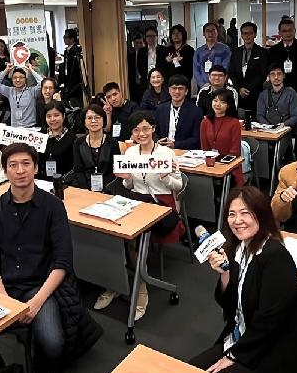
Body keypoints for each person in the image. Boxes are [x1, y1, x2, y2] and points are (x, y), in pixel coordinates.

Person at [0, 142, 101, 373]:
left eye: (26, 164)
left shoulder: (53, 207)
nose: (20, 171)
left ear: (35, 168)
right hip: (3, 287)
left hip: (40, 286)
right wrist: (5, 301)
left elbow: (62, 262)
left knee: (53, 342)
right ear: (5, 171)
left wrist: (36, 302)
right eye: (13, 165)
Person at [190, 186, 297, 373]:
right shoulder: (239, 248)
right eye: (232, 214)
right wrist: (225, 274)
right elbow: (231, 307)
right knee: (189, 372)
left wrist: (234, 356)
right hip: (244, 337)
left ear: (261, 215)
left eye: (245, 213)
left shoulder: (275, 256)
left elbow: (269, 321)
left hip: (278, 353)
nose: (237, 220)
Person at [98, 111, 184, 318]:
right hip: (136, 201)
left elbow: (179, 185)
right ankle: (117, 282)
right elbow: (129, 186)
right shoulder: (130, 153)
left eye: (146, 128)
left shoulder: (165, 153)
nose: (141, 134)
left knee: (131, 240)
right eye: (136, 130)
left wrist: (165, 178)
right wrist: (126, 179)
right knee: (112, 232)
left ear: (153, 129)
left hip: (161, 206)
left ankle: (140, 290)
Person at [267, 18, 297, 121]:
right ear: (279, 33)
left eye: (290, 30)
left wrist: (292, 88)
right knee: (281, 124)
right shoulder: (273, 51)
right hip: (280, 93)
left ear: (295, 31)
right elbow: (272, 71)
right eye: (284, 31)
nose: (287, 33)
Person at [256, 63, 297, 158]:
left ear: (284, 75)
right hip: (267, 131)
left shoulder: (291, 93)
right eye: (273, 74)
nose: (276, 77)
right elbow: (259, 115)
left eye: (279, 74)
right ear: (269, 77)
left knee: (279, 150)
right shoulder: (263, 95)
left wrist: (283, 125)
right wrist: (269, 127)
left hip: (286, 131)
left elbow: (296, 117)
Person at [201, 89, 244, 186]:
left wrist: (219, 164)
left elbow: (235, 152)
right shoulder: (205, 122)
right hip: (209, 164)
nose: (218, 104)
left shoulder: (234, 123)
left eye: (222, 102)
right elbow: (204, 148)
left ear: (228, 105)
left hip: (229, 166)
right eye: (215, 100)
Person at [71, 104, 118, 192]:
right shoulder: (78, 142)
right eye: (89, 118)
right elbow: (78, 170)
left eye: (97, 117)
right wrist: (86, 190)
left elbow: (114, 170)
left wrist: (105, 190)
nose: (93, 121)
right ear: (84, 122)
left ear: (104, 120)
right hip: (84, 188)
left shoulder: (113, 142)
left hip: (108, 188)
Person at [231, 21, 269, 120]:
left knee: (256, 121)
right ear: (241, 35)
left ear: (255, 34)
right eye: (244, 33)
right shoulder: (235, 52)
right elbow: (231, 72)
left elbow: (262, 74)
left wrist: (248, 89)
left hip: (255, 93)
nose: (247, 36)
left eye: (250, 33)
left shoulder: (262, 52)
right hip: (238, 93)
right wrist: (239, 88)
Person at [155, 75, 202, 150]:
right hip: (163, 150)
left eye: (180, 88)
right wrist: (158, 141)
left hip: (185, 152)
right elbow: (154, 132)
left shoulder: (196, 112)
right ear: (169, 90)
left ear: (186, 91)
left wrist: (175, 145)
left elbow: (196, 139)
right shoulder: (160, 109)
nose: (177, 92)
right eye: (174, 88)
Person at [39, 101, 76, 180]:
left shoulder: (72, 139)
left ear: (64, 116)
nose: (52, 119)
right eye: (49, 116)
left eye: (56, 115)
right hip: (41, 181)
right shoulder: (40, 136)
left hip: (63, 182)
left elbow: (73, 167)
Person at [0, 63, 38, 128]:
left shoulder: (32, 91)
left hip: (29, 127)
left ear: (25, 79)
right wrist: (6, 70)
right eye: (15, 78)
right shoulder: (9, 91)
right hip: (14, 128)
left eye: (21, 77)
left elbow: (42, 83)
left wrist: (31, 70)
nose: (17, 80)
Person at [193, 22, 231, 89]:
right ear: (203, 34)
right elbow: (196, 70)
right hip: (203, 86)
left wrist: (217, 83)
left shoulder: (225, 49)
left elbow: (226, 67)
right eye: (207, 30)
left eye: (213, 30)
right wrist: (202, 84)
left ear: (217, 32)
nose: (210, 33)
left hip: (220, 86)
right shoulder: (199, 51)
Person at [57, 27, 85, 104]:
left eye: (66, 37)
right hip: (67, 78)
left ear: (72, 39)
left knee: (75, 100)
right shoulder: (66, 50)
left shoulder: (75, 50)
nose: (64, 39)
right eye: (64, 37)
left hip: (74, 80)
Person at [134, 25, 161, 100]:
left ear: (157, 37)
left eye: (153, 36)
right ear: (145, 38)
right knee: (146, 100)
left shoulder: (163, 50)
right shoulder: (141, 51)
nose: (150, 38)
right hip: (145, 82)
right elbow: (139, 67)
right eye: (148, 36)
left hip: (159, 82)